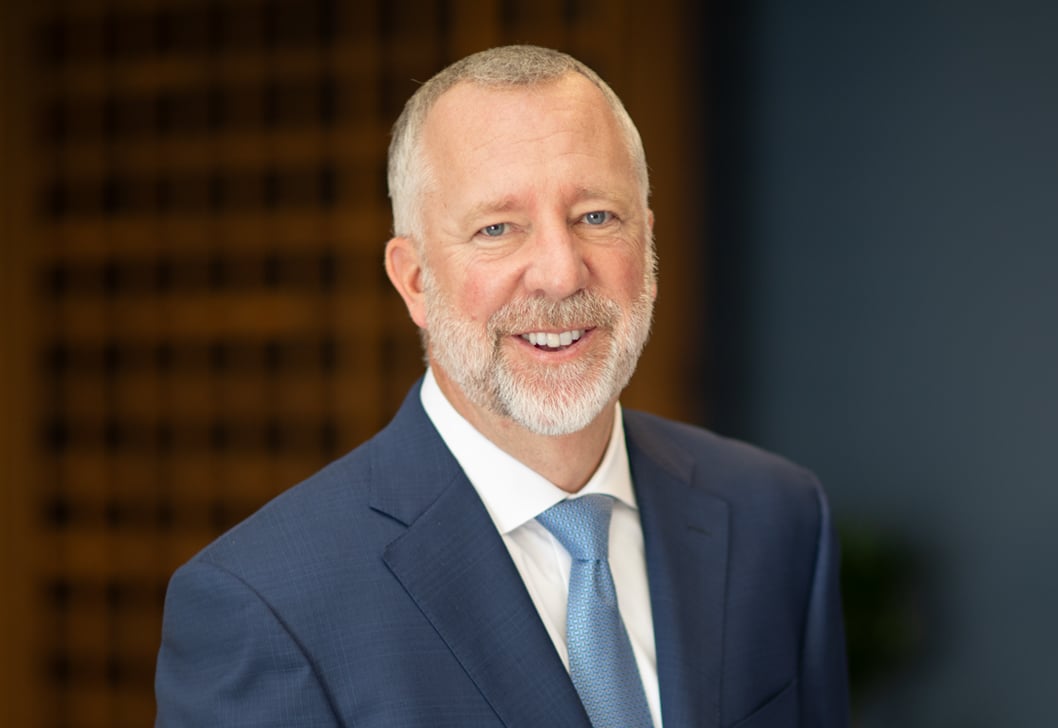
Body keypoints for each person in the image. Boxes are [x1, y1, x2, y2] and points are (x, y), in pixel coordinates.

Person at [155, 45, 850, 727]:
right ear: (415, 280)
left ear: (648, 244)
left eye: (597, 217)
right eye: (497, 228)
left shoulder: (776, 516)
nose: (560, 273)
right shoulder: (267, 608)